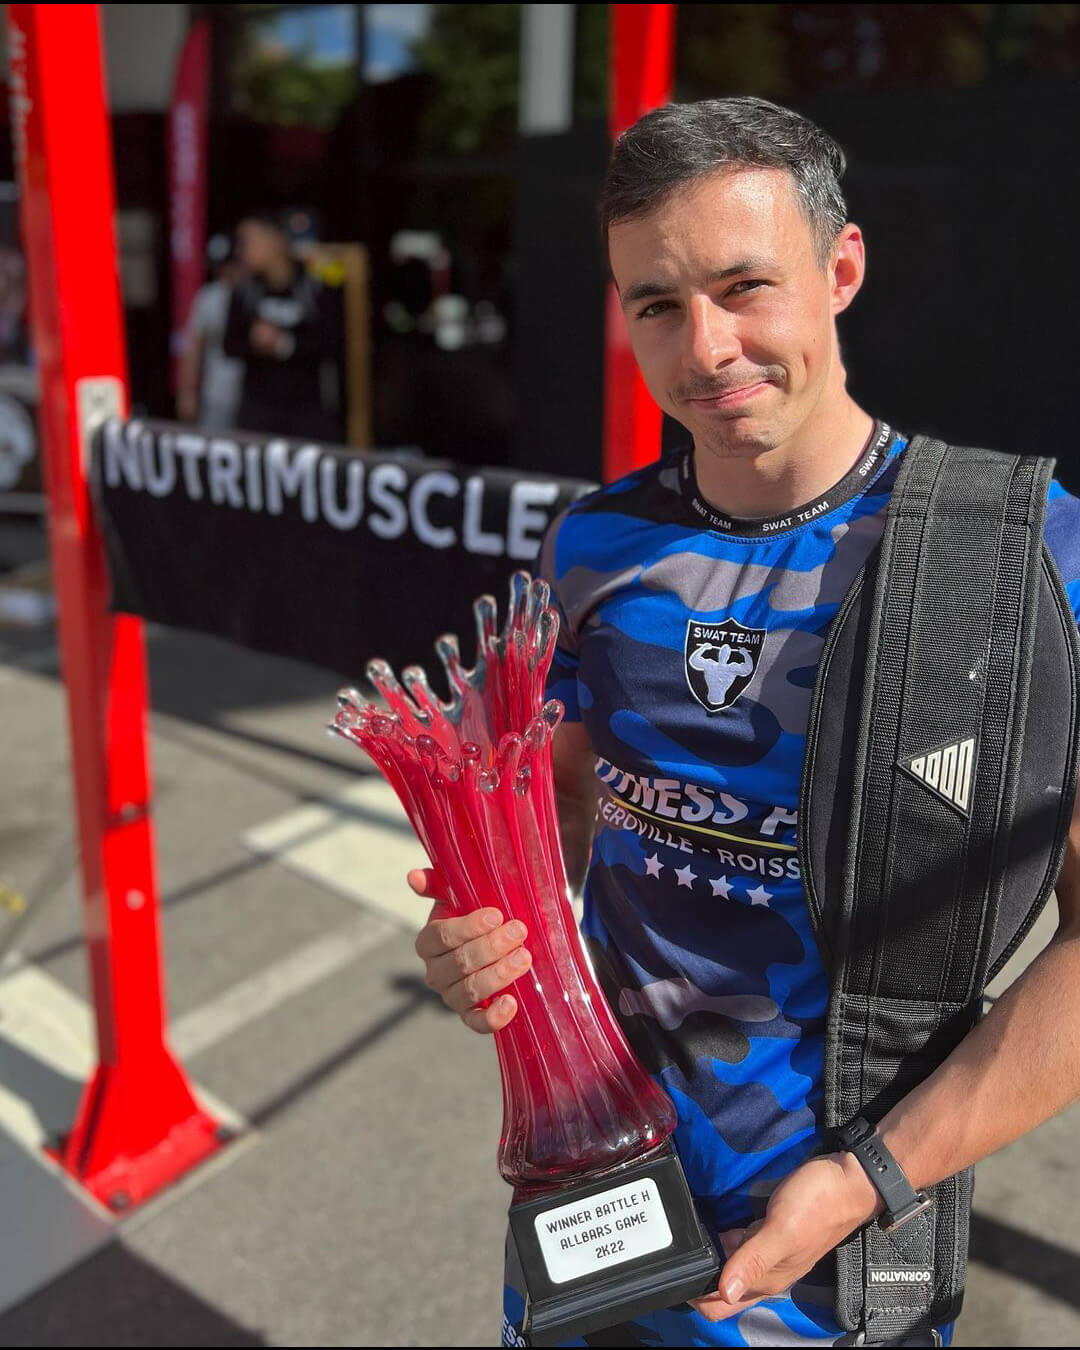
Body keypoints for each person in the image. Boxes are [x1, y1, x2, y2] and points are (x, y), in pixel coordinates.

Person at [407, 98, 1080, 1347]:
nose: (706, 347)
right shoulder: (597, 545)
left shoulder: (1027, 558)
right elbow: (559, 803)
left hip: (834, 1246)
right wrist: (488, 933)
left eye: (744, 285)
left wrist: (869, 1177)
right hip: (592, 1204)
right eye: (656, 304)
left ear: (841, 268)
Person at [223, 214, 340, 442]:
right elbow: (229, 346)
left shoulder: (313, 286)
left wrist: (284, 344)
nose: (243, 250)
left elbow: (333, 344)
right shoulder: (244, 290)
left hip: (306, 410)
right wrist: (255, 341)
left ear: (276, 240)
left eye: (249, 241)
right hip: (257, 410)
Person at [176, 234, 246, 430]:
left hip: (253, 396)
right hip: (218, 395)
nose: (227, 270)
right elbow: (193, 349)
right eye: (222, 265)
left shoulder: (253, 294)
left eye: (232, 263)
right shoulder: (209, 297)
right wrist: (187, 393)